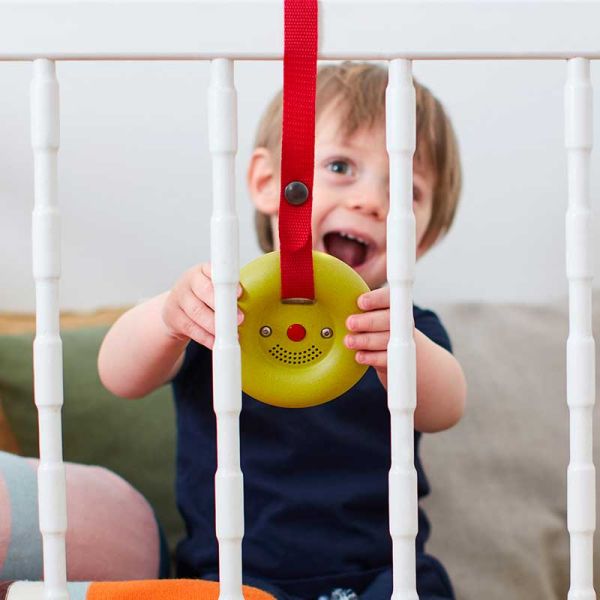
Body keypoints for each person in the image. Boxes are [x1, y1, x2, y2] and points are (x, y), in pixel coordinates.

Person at [97, 61, 467, 600]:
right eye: (341, 166)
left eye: (406, 189)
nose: (371, 200)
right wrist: (167, 317)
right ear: (270, 184)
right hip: (235, 577)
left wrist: (405, 352)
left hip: (382, 575)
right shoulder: (225, 307)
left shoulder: (405, 328)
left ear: (424, 237)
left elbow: (447, 407)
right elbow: (118, 375)